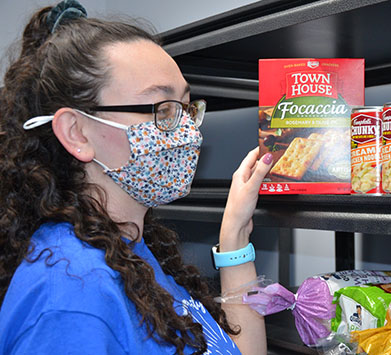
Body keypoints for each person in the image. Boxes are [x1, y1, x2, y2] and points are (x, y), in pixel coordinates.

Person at [0, 1, 273, 354]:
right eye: (162, 109)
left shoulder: (127, 248)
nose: (187, 131)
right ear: (76, 133)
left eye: (187, 107)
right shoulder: (72, 296)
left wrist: (234, 235)